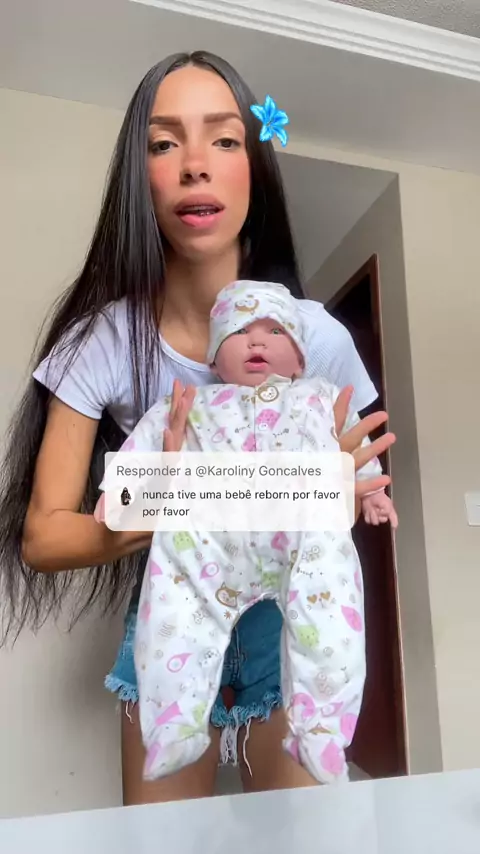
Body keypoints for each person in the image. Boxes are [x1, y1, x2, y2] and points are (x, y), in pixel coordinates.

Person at [0, 51, 395, 803]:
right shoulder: (101, 342)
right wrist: (187, 499)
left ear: (255, 167)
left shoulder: (316, 336)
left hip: (292, 620)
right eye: (163, 142)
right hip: (172, 610)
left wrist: (335, 495)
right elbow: (44, 537)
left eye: (223, 139)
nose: (194, 165)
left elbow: (357, 487)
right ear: (139, 175)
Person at [96, 278, 397, 787]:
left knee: (331, 618)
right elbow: (146, 445)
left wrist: (371, 493)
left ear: (299, 360)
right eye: (238, 331)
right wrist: (118, 491)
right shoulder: (190, 404)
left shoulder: (320, 398)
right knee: (174, 611)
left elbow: (351, 449)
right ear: (215, 359)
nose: (256, 340)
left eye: (275, 331)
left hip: (301, 540)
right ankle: (174, 726)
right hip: (208, 545)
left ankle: (320, 731)